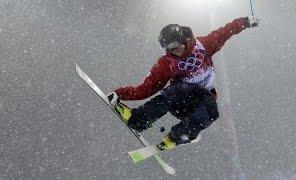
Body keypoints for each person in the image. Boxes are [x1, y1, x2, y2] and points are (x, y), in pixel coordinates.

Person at [107, 16, 259, 150]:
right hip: (179, 101)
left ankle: (179, 136)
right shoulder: (167, 63)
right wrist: (120, 93)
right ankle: (138, 119)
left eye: (176, 47)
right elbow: (147, 88)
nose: (174, 52)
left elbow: (226, 31)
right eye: (170, 49)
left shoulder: (203, 45)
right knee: (180, 88)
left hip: (200, 103)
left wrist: (245, 22)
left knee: (213, 110)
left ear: (183, 41)